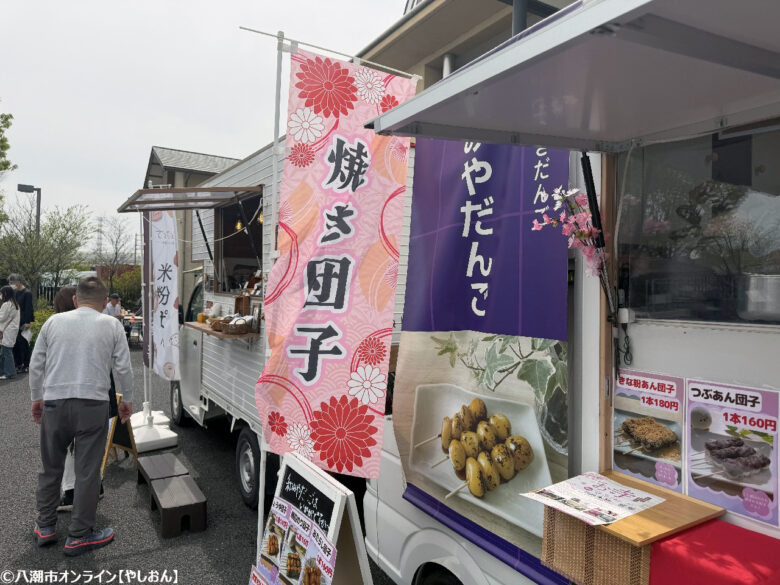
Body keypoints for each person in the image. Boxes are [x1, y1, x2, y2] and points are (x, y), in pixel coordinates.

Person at [30, 276, 134, 556]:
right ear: (104, 303)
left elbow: (36, 364)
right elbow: (123, 369)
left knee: (51, 467)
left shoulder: (53, 323)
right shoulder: (111, 324)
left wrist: (36, 399)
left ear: (75, 300)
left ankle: (45, 526)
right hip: (93, 404)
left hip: (54, 402)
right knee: (87, 472)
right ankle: (79, 535)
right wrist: (127, 401)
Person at [53, 286, 114, 512]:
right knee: (90, 446)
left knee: (70, 446)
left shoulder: (60, 328)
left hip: (73, 397)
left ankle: (71, 493)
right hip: (100, 396)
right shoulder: (101, 324)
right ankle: (94, 487)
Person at [8, 274, 34, 374]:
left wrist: (28, 322)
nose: (11, 285)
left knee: (24, 343)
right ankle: (18, 364)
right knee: (15, 343)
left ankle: (26, 364)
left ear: (18, 281)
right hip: (15, 321)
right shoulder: (14, 292)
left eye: (12, 282)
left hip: (23, 321)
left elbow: (29, 308)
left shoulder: (27, 293)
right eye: (10, 283)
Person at [0, 285, 20, 380]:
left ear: (5, 294)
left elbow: (1, 317)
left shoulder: (6, 304)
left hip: (7, 330)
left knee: (6, 352)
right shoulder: (15, 304)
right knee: (6, 351)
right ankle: (5, 371)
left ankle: (9, 372)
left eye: (1, 293)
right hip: (12, 330)